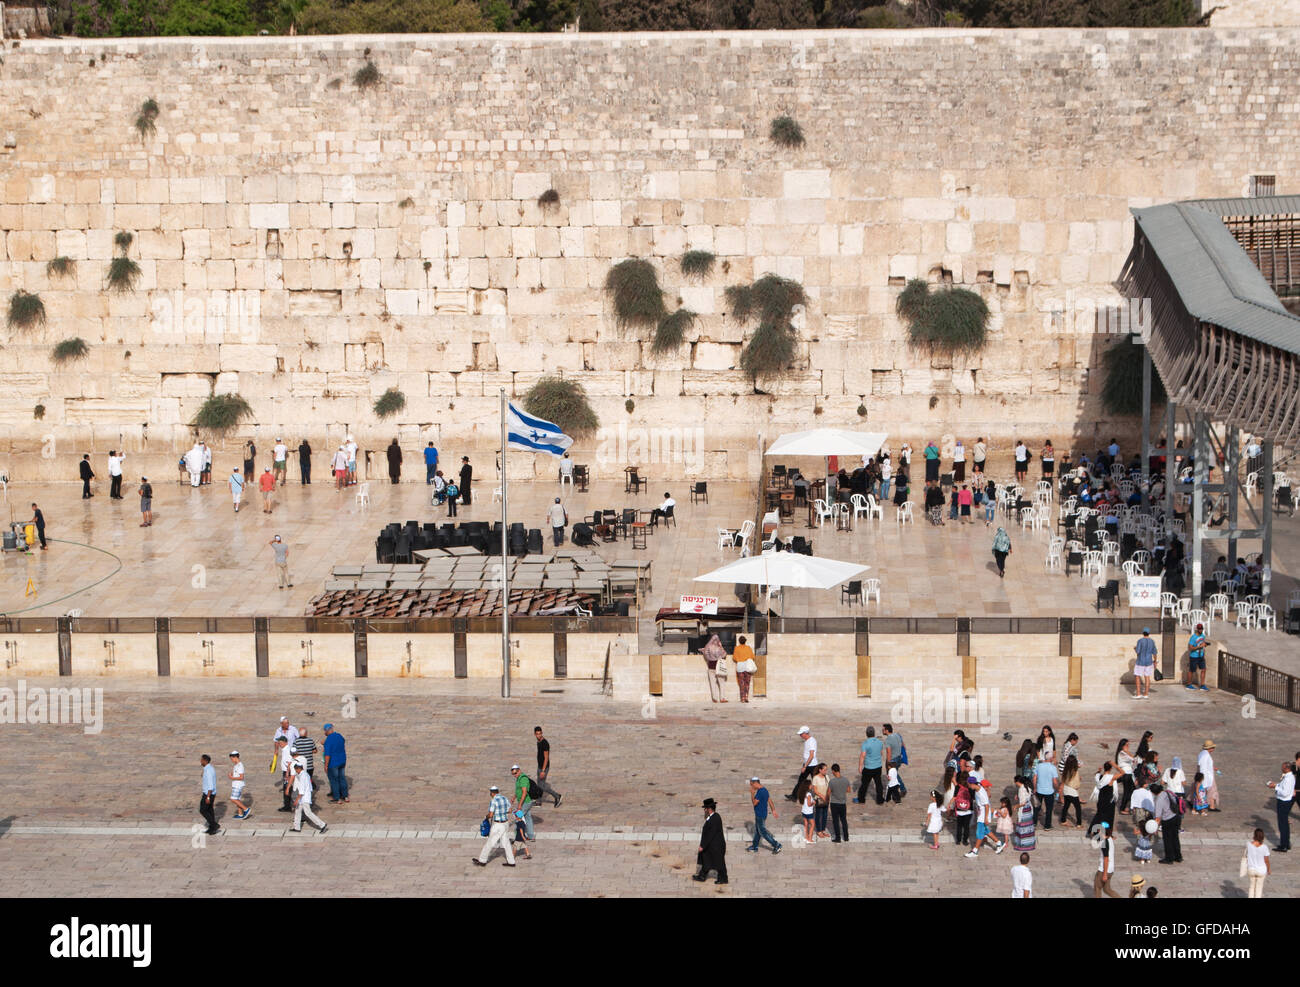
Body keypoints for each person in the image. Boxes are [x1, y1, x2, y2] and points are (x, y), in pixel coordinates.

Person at [473, 785, 516, 867]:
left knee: (490, 842)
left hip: (498, 825)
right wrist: (502, 812)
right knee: (506, 843)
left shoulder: (494, 801)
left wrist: (486, 817)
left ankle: (482, 860)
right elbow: (510, 810)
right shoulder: (505, 798)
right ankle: (511, 862)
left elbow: (491, 814)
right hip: (505, 823)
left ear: (492, 793)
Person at [694, 798, 727, 884]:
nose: (704, 810)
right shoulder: (713, 817)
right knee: (706, 859)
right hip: (712, 845)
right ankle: (702, 876)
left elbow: (710, 835)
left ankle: (723, 879)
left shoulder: (714, 819)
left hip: (716, 846)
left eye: (705, 808)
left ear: (709, 809)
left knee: (719, 863)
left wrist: (703, 846)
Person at [289, 761, 327, 833]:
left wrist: (297, 799)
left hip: (304, 798)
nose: (296, 771)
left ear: (298, 769)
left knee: (308, 813)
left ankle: (322, 825)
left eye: (296, 770)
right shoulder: (306, 774)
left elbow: (302, 790)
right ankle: (297, 827)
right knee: (298, 811)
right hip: (304, 797)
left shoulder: (303, 776)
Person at [747, 777, 782, 853]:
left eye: (752, 785)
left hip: (760, 815)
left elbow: (754, 803)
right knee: (758, 830)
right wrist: (773, 810)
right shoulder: (765, 790)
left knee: (763, 832)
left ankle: (776, 845)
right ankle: (754, 846)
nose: (751, 787)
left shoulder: (760, 792)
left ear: (755, 783)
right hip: (763, 814)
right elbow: (770, 800)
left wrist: (752, 794)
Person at [533, 726, 562, 807]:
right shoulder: (538, 742)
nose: (538, 735)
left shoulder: (545, 743)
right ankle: (538, 801)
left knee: (541, 786)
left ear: (542, 733)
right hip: (540, 766)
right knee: (539, 784)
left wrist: (543, 770)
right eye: (537, 734)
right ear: (535, 734)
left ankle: (557, 796)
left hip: (544, 767)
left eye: (540, 734)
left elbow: (546, 758)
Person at [857, 726, 886, 805]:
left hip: (868, 768)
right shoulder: (880, 742)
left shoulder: (865, 743)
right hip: (878, 767)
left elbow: (863, 755)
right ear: (874, 733)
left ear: (866, 734)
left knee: (864, 784)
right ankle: (880, 800)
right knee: (878, 783)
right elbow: (881, 753)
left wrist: (860, 766)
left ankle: (861, 799)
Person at [787, 726, 817, 802]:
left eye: (801, 734)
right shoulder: (807, 741)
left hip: (812, 766)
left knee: (816, 782)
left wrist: (805, 766)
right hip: (807, 764)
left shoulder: (811, 741)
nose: (800, 735)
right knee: (801, 780)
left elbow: (811, 755)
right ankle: (794, 796)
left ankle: (818, 796)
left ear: (805, 733)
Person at [1154, 783, 1182, 864]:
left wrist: (1155, 827)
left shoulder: (1159, 800)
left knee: (1167, 840)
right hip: (1176, 817)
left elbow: (1158, 817)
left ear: (1154, 792)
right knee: (1175, 837)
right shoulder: (1168, 792)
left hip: (1167, 821)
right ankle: (1178, 856)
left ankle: (1169, 858)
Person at [322, 723, 348, 803]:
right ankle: (345, 796)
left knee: (334, 780)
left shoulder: (328, 740)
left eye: (324, 731)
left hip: (333, 763)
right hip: (342, 761)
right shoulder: (339, 736)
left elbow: (327, 755)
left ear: (326, 731)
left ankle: (337, 798)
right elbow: (343, 741)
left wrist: (326, 766)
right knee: (342, 778)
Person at [510, 764, 535, 841]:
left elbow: (524, 792)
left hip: (525, 802)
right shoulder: (518, 778)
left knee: (517, 817)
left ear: (519, 771)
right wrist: (514, 797)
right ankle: (531, 836)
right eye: (513, 774)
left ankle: (516, 837)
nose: (514, 775)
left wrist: (520, 805)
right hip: (524, 802)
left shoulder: (523, 779)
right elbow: (518, 790)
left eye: (515, 773)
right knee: (528, 818)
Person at [1094, 822, 1121, 897]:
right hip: (1111, 869)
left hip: (1104, 870)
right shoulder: (1110, 838)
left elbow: (1106, 859)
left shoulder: (1104, 843)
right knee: (1107, 889)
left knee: (1097, 888)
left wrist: (1105, 874)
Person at [1033, 755, 1059, 829]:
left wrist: (1034, 788)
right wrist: (1057, 789)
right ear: (1051, 759)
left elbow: (1034, 778)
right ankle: (1047, 825)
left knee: (1036, 807)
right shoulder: (1053, 768)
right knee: (1049, 809)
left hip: (1039, 790)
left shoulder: (1039, 766)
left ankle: (1034, 823)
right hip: (1049, 791)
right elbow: (1055, 781)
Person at [883, 722, 906, 798]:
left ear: (886, 730)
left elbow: (889, 752)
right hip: (899, 757)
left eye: (883, 729)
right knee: (895, 774)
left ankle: (902, 789)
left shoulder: (888, 740)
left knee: (894, 775)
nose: (882, 731)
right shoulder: (897, 735)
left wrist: (888, 763)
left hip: (893, 760)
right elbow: (903, 745)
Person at [1246, 828, 1271, 898]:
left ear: (1254, 835)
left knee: (1251, 887)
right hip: (1261, 870)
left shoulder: (1248, 845)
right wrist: (1268, 869)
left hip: (1251, 869)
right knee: (1259, 888)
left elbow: (1247, 856)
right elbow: (1266, 860)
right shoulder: (1264, 847)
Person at [701, 634, 726, 703]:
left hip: (710, 667)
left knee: (712, 683)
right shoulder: (718, 648)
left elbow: (705, 654)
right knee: (722, 683)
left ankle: (714, 698)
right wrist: (721, 646)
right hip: (719, 667)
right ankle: (722, 698)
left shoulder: (707, 647)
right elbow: (724, 655)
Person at [198, 754, 219, 836]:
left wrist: (208, 797)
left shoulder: (208, 771)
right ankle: (212, 828)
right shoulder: (209, 768)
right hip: (210, 793)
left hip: (208, 794)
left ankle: (214, 825)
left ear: (205, 761)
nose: (200, 761)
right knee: (210, 810)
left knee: (203, 810)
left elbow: (210, 785)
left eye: (201, 760)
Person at [1133, 628, 1157, 699]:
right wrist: (1155, 661)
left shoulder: (1140, 641)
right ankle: (1146, 694)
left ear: (1143, 633)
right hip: (1149, 662)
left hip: (1140, 661)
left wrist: (1135, 648)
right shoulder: (1152, 641)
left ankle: (1138, 694)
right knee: (1147, 677)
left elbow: (1138, 651)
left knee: (1137, 676)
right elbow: (1154, 653)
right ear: (1149, 633)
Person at [1186, 623, 1209, 691]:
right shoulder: (1193, 637)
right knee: (1191, 670)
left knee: (1203, 669)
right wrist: (1199, 647)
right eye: (1199, 629)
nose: (1201, 630)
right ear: (1197, 629)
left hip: (1201, 656)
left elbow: (1202, 643)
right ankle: (1189, 684)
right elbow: (1190, 648)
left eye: (1201, 629)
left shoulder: (1203, 636)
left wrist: (1204, 645)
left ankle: (1202, 685)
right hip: (1194, 656)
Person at [1198, 740, 1220, 811]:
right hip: (1207, 777)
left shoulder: (1202, 754)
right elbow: (1203, 768)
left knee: (1203, 790)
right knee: (1213, 791)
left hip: (1204, 776)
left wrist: (1213, 768)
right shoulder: (1206, 755)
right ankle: (1212, 806)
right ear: (1210, 748)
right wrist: (1204, 780)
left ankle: (1209, 805)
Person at [733, 635, 756, 703]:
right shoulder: (748, 648)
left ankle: (742, 698)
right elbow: (753, 657)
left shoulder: (736, 648)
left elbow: (734, 658)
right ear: (745, 641)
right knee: (747, 683)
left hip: (740, 667)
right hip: (748, 667)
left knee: (741, 683)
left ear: (739, 641)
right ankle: (746, 697)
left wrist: (740, 660)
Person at [811, 763, 831, 839]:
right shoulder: (815, 778)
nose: (826, 771)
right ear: (820, 770)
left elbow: (829, 787)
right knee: (819, 815)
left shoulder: (827, 777)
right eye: (824, 769)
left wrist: (828, 796)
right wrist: (822, 796)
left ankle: (823, 829)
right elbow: (815, 790)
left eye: (826, 769)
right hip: (819, 799)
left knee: (825, 815)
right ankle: (819, 830)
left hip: (826, 799)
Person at [229, 751, 250, 820]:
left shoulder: (240, 765)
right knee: (238, 799)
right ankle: (240, 814)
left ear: (235, 757)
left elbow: (241, 777)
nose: (231, 760)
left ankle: (246, 809)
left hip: (238, 785)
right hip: (236, 784)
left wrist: (232, 778)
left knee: (233, 798)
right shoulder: (236, 765)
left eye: (232, 758)